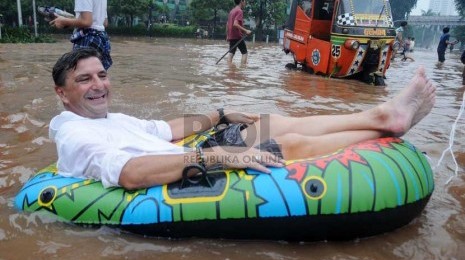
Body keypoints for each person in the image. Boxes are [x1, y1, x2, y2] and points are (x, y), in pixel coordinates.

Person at [50, 48, 436, 190]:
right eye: (84, 79)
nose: (99, 84)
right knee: (285, 146)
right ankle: (384, 126)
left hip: (197, 153)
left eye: (102, 75)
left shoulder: (110, 119)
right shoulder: (74, 135)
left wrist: (220, 114)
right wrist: (220, 156)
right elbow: (130, 173)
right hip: (189, 170)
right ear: (62, 93)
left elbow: (166, 130)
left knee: (270, 124)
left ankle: (381, 115)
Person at [49, 0, 112, 70]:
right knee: (97, 76)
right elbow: (104, 23)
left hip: (88, 38)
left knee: (81, 75)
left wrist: (64, 21)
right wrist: (67, 21)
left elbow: (86, 22)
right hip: (101, 38)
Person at [226, 0, 252, 65]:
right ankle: (242, 68)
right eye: (245, 1)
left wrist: (227, 35)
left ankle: (229, 68)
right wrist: (246, 31)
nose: (245, 3)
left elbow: (227, 24)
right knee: (244, 53)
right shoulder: (239, 11)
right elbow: (235, 24)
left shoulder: (232, 11)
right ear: (241, 1)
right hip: (237, 36)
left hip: (231, 35)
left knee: (231, 53)